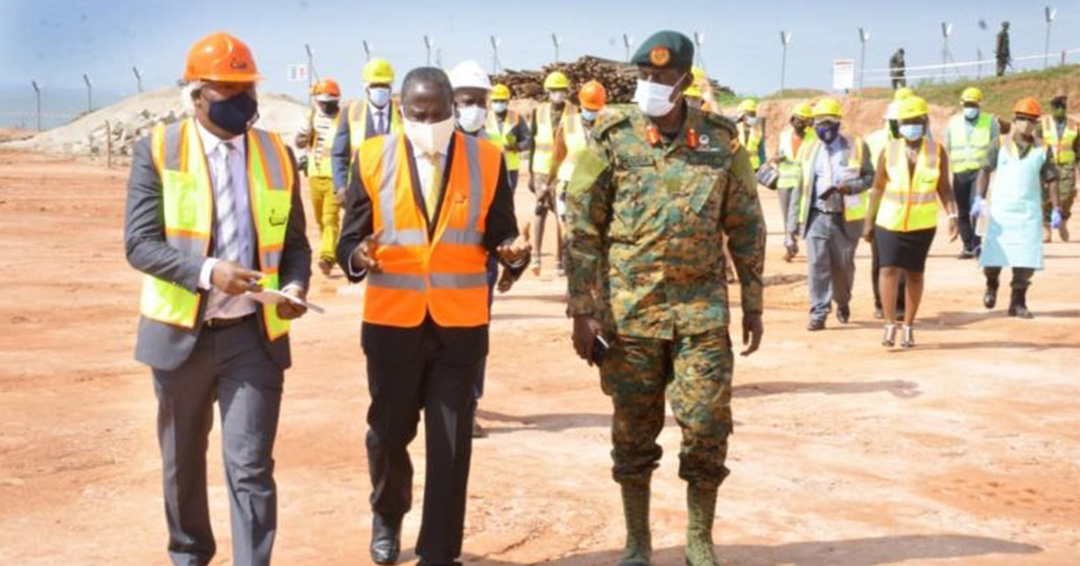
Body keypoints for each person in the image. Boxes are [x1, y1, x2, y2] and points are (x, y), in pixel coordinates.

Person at [565, 30, 765, 566]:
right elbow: (583, 227)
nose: (649, 86)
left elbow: (746, 224)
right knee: (632, 433)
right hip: (630, 316)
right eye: (643, 78)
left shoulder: (723, 142)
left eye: (659, 77)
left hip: (701, 314)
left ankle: (700, 539)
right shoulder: (610, 137)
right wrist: (582, 311)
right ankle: (638, 542)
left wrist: (753, 301)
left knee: (705, 426)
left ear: (684, 79)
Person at [124, 32, 311, 566]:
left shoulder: (277, 154)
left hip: (253, 338)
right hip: (180, 336)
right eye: (227, 88)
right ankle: (189, 555)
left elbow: (295, 244)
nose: (242, 99)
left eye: (246, 86)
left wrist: (294, 287)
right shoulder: (157, 150)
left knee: (250, 466)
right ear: (197, 94)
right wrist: (209, 272)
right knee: (182, 463)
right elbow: (139, 245)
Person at [336, 66, 530, 566]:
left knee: (450, 446)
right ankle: (388, 514)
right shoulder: (374, 157)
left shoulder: (486, 159)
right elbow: (349, 240)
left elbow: (502, 233)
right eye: (419, 114)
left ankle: (439, 552)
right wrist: (360, 257)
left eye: (439, 114)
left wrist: (513, 252)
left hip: (458, 328)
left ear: (452, 110)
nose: (430, 122)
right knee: (388, 434)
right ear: (403, 112)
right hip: (392, 325)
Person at [447, 59, 515, 439]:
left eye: (480, 101)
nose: (474, 108)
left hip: (479, 264)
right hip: (434, 264)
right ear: (450, 101)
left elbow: (499, 213)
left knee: (474, 339)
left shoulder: (491, 152)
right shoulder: (432, 149)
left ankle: (468, 406)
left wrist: (510, 256)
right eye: (466, 100)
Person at [863, 96, 959, 348]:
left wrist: (952, 215)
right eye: (907, 122)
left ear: (925, 122)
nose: (912, 126)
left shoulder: (937, 152)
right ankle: (889, 324)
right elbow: (876, 188)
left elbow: (945, 189)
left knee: (915, 274)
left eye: (917, 121)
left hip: (922, 225)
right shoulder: (889, 150)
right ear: (899, 124)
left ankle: (908, 326)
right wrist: (868, 222)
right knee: (888, 270)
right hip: (889, 222)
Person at [787, 98, 874, 330]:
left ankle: (843, 301)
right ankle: (819, 311)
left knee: (843, 267)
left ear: (838, 123)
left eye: (829, 122)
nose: (824, 127)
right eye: (819, 122)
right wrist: (791, 226)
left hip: (844, 218)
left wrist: (852, 188)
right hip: (816, 215)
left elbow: (869, 177)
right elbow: (799, 186)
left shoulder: (856, 146)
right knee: (817, 265)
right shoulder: (808, 148)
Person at [974, 97, 1061, 318]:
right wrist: (978, 197)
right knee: (993, 257)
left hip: (1028, 213)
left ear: (1037, 123)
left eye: (1032, 120)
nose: (1026, 124)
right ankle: (991, 285)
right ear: (1014, 119)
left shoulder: (1043, 148)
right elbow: (984, 170)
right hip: (1001, 212)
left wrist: (1057, 209)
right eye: (1022, 119)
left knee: (1026, 259)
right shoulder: (1000, 143)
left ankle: (1018, 302)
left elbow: (1052, 179)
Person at [331, 58, 403, 195]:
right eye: (375, 85)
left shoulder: (403, 113)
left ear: (391, 86)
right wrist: (340, 186)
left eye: (384, 85)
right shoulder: (351, 112)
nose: (380, 89)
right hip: (360, 188)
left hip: (395, 188)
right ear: (366, 87)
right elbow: (340, 154)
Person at [944, 86, 1000, 258]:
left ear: (979, 104)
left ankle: (977, 245)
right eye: (967, 104)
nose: (970, 107)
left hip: (980, 173)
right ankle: (967, 245)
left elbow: (995, 146)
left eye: (973, 104)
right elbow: (948, 146)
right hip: (960, 173)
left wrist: (991, 168)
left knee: (976, 209)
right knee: (962, 211)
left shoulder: (989, 122)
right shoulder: (953, 123)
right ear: (962, 104)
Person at [296, 78, 345, 275]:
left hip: (335, 177)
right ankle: (331, 249)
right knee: (320, 220)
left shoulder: (343, 119)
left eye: (330, 101)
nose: (326, 105)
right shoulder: (310, 118)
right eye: (323, 101)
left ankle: (327, 257)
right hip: (315, 176)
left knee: (329, 218)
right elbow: (300, 143)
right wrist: (305, 134)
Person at [529, 70, 575, 276]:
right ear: (547, 91)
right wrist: (531, 173)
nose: (558, 94)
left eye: (561, 90)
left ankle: (559, 259)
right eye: (554, 90)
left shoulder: (574, 112)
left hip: (564, 171)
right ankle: (536, 256)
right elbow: (532, 142)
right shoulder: (538, 112)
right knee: (539, 209)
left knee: (560, 214)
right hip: (540, 168)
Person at [865, 101, 907, 320]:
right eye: (897, 122)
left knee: (901, 262)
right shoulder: (873, 142)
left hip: (907, 213)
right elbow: (868, 180)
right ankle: (880, 302)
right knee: (880, 261)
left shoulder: (915, 145)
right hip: (880, 211)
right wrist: (868, 220)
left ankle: (899, 304)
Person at [553, 79, 607, 228]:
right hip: (568, 182)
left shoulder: (607, 125)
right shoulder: (568, 123)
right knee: (568, 229)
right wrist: (550, 181)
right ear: (581, 104)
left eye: (595, 110)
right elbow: (558, 155)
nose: (591, 113)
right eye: (588, 108)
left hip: (596, 186)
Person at [770, 101, 816, 262]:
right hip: (784, 182)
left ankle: (791, 243)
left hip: (804, 183)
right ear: (792, 119)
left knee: (798, 215)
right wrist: (777, 158)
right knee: (786, 215)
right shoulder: (784, 136)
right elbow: (775, 156)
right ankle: (791, 244)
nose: (800, 123)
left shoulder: (814, 138)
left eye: (804, 120)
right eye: (798, 119)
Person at [1039, 91, 1078, 241]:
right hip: (1047, 165)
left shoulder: (1074, 125)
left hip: (1067, 166)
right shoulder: (1043, 125)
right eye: (1057, 106)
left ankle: (1062, 220)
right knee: (1044, 196)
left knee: (1067, 196)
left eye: (1062, 106)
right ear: (1051, 108)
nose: (1060, 109)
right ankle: (1046, 227)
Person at [485, 83, 533, 192]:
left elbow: (529, 140)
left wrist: (517, 146)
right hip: (489, 166)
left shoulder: (517, 118)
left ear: (507, 102)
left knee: (508, 199)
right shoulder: (485, 118)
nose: (499, 103)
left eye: (502, 101)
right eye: (496, 101)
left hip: (510, 167)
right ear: (491, 102)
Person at [735, 98, 766, 171]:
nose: (752, 117)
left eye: (753, 114)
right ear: (743, 115)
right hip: (739, 165)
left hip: (754, 167)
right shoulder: (736, 128)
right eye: (750, 114)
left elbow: (761, 151)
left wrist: (762, 165)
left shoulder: (758, 130)